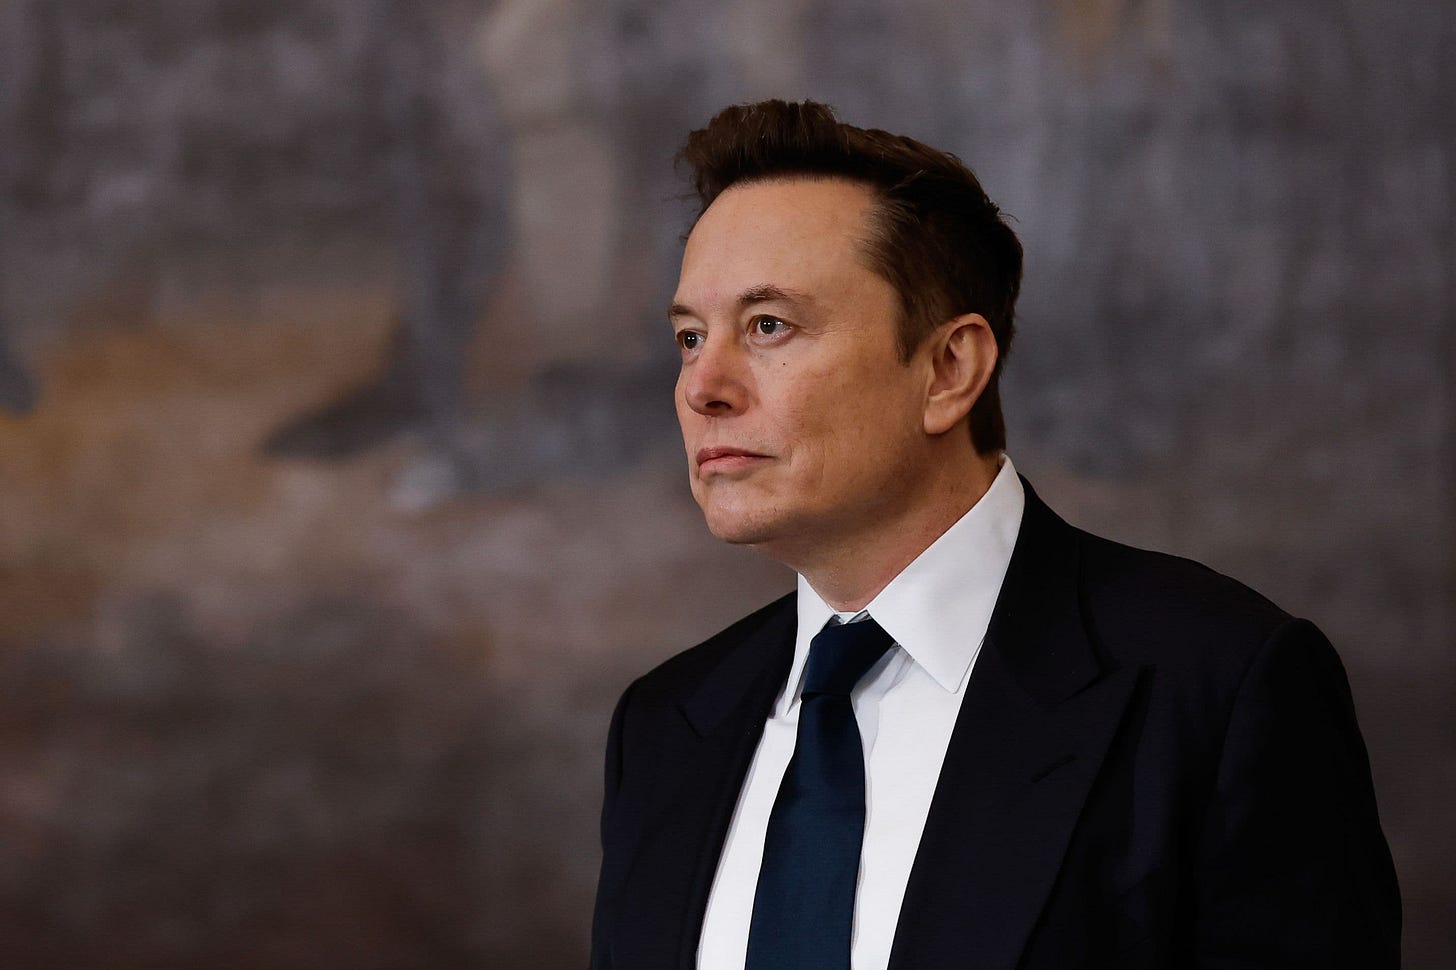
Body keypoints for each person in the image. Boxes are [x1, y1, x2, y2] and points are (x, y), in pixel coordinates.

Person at [589, 99, 1400, 970]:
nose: (701, 386)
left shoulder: (1219, 686)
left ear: (948, 368)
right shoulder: (666, 723)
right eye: (687, 336)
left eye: (769, 326)